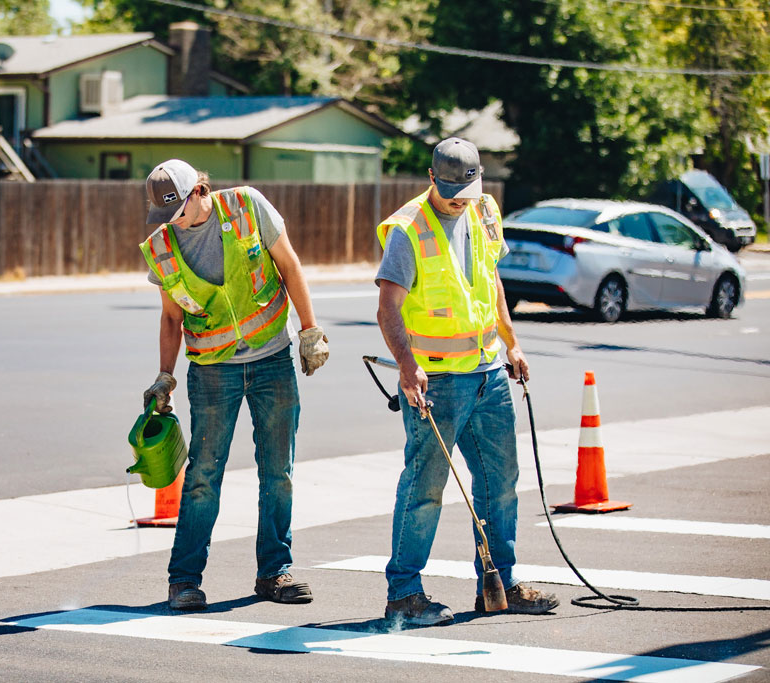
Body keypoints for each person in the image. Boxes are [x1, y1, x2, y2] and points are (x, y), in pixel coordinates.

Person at [374, 138, 559, 626]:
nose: (460, 198)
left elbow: (491, 278)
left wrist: (511, 343)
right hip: (437, 383)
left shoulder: (482, 212)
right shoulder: (407, 230)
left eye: (468, 189)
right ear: (432, 178)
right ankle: (404, 594)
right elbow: (387, 306)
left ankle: (500, 582)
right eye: (452, 189)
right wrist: (406, 363)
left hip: (489, 374)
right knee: (424, 489)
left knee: (501, 483)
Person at [139, 159, 329, 611]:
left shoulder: (247, 206)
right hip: (211, 371)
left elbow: (289, 266)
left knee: (277, 472)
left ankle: (274, 573)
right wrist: (165, 375)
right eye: (165, 215)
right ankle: (183, 580)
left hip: (271, 361)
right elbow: (171, 317)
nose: (174, 222)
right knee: (203, 476)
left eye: (179, 211)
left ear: (199, 190)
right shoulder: (161, 246)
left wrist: (309, 330)